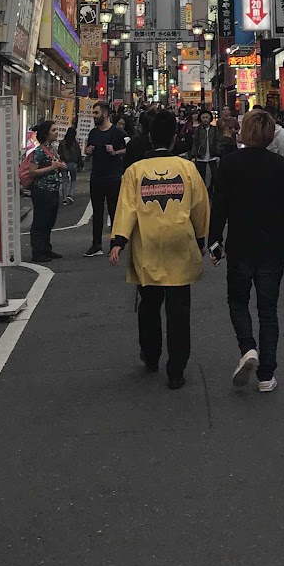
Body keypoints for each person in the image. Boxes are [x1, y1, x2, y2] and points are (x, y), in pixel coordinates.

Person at [110, 110, 209, 389]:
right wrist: (201, 239)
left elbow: (127, 208)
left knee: (149, 306)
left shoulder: (135, 171)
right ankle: (176, 370)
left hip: (148, 245)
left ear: (150, 137)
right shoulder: (187, 169)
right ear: (175, 137)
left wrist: (119, 241)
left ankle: (151, 355)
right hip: (180, 244)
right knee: (179, 312)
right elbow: (200, 207)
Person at [209, 108, 284, 392]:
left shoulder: (230, 163)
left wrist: (215, 242)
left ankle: (248, 347)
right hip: (272, 246)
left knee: (238, 301)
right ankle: (266, 375)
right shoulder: (280, 166)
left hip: (240, 243)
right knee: (268, 311)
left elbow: (219, 206)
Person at [83, 103, 126, 256]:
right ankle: (96, 244)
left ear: (105, 114)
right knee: (97, 212)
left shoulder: (118, 132)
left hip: (113, 177)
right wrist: (88, 151)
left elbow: (130, 148)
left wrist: (115, 152)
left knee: (114, 211)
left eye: (96, 113)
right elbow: (87, 152)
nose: (94, 116)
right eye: (93, 113)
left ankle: (115, 244)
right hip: (96, 176)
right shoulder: (93, 133)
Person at [25, 120, 65, 262]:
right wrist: (51, 167)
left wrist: (59, 166)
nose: (56, 133)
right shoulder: (39, 150)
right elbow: (32, 171)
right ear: (46, 134)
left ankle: (46, 248)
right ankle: (38, 251)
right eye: (53, 130)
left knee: (49, 220)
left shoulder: (52, 149)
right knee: (41, 221)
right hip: (42, 190)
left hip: (53, 189)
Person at [191, 108, 219, 187]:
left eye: (207, 117)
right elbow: (195, 142)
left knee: (215, 175)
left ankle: (211, 190)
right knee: (201, 175)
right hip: (201, 155)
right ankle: (203, 190)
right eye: (203, 118)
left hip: (212, 154)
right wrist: (193, 155)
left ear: (210, 118)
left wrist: (218, 154)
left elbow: (217, 141)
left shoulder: (214, 129)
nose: (205, 119)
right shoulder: (198, 129)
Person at [57, 125, 80, 205]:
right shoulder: (75, 143)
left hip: (64, 163)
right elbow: (78, 154)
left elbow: (59, 153)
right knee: (73, 179)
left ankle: (64, 198)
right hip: (73, 163)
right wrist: (79, 163)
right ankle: (71, 194)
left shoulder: (62, 143)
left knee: (65, 181)